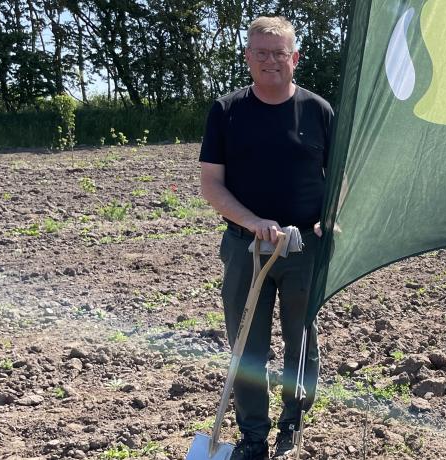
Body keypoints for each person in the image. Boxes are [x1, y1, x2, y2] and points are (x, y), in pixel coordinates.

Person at [198, 16, 334, 460]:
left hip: (304, 248)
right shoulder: (226, 111)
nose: (270, 60)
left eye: (279, 53)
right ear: (248, 58)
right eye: (261, 52)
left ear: (295, 58)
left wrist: (330, 219)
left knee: (301, 339)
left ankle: (292, 423)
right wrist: (252, 220)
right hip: (245, 247)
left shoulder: (318, 110)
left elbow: (342, 178)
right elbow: (212, 184)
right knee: (246, 342)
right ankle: (252, 436)